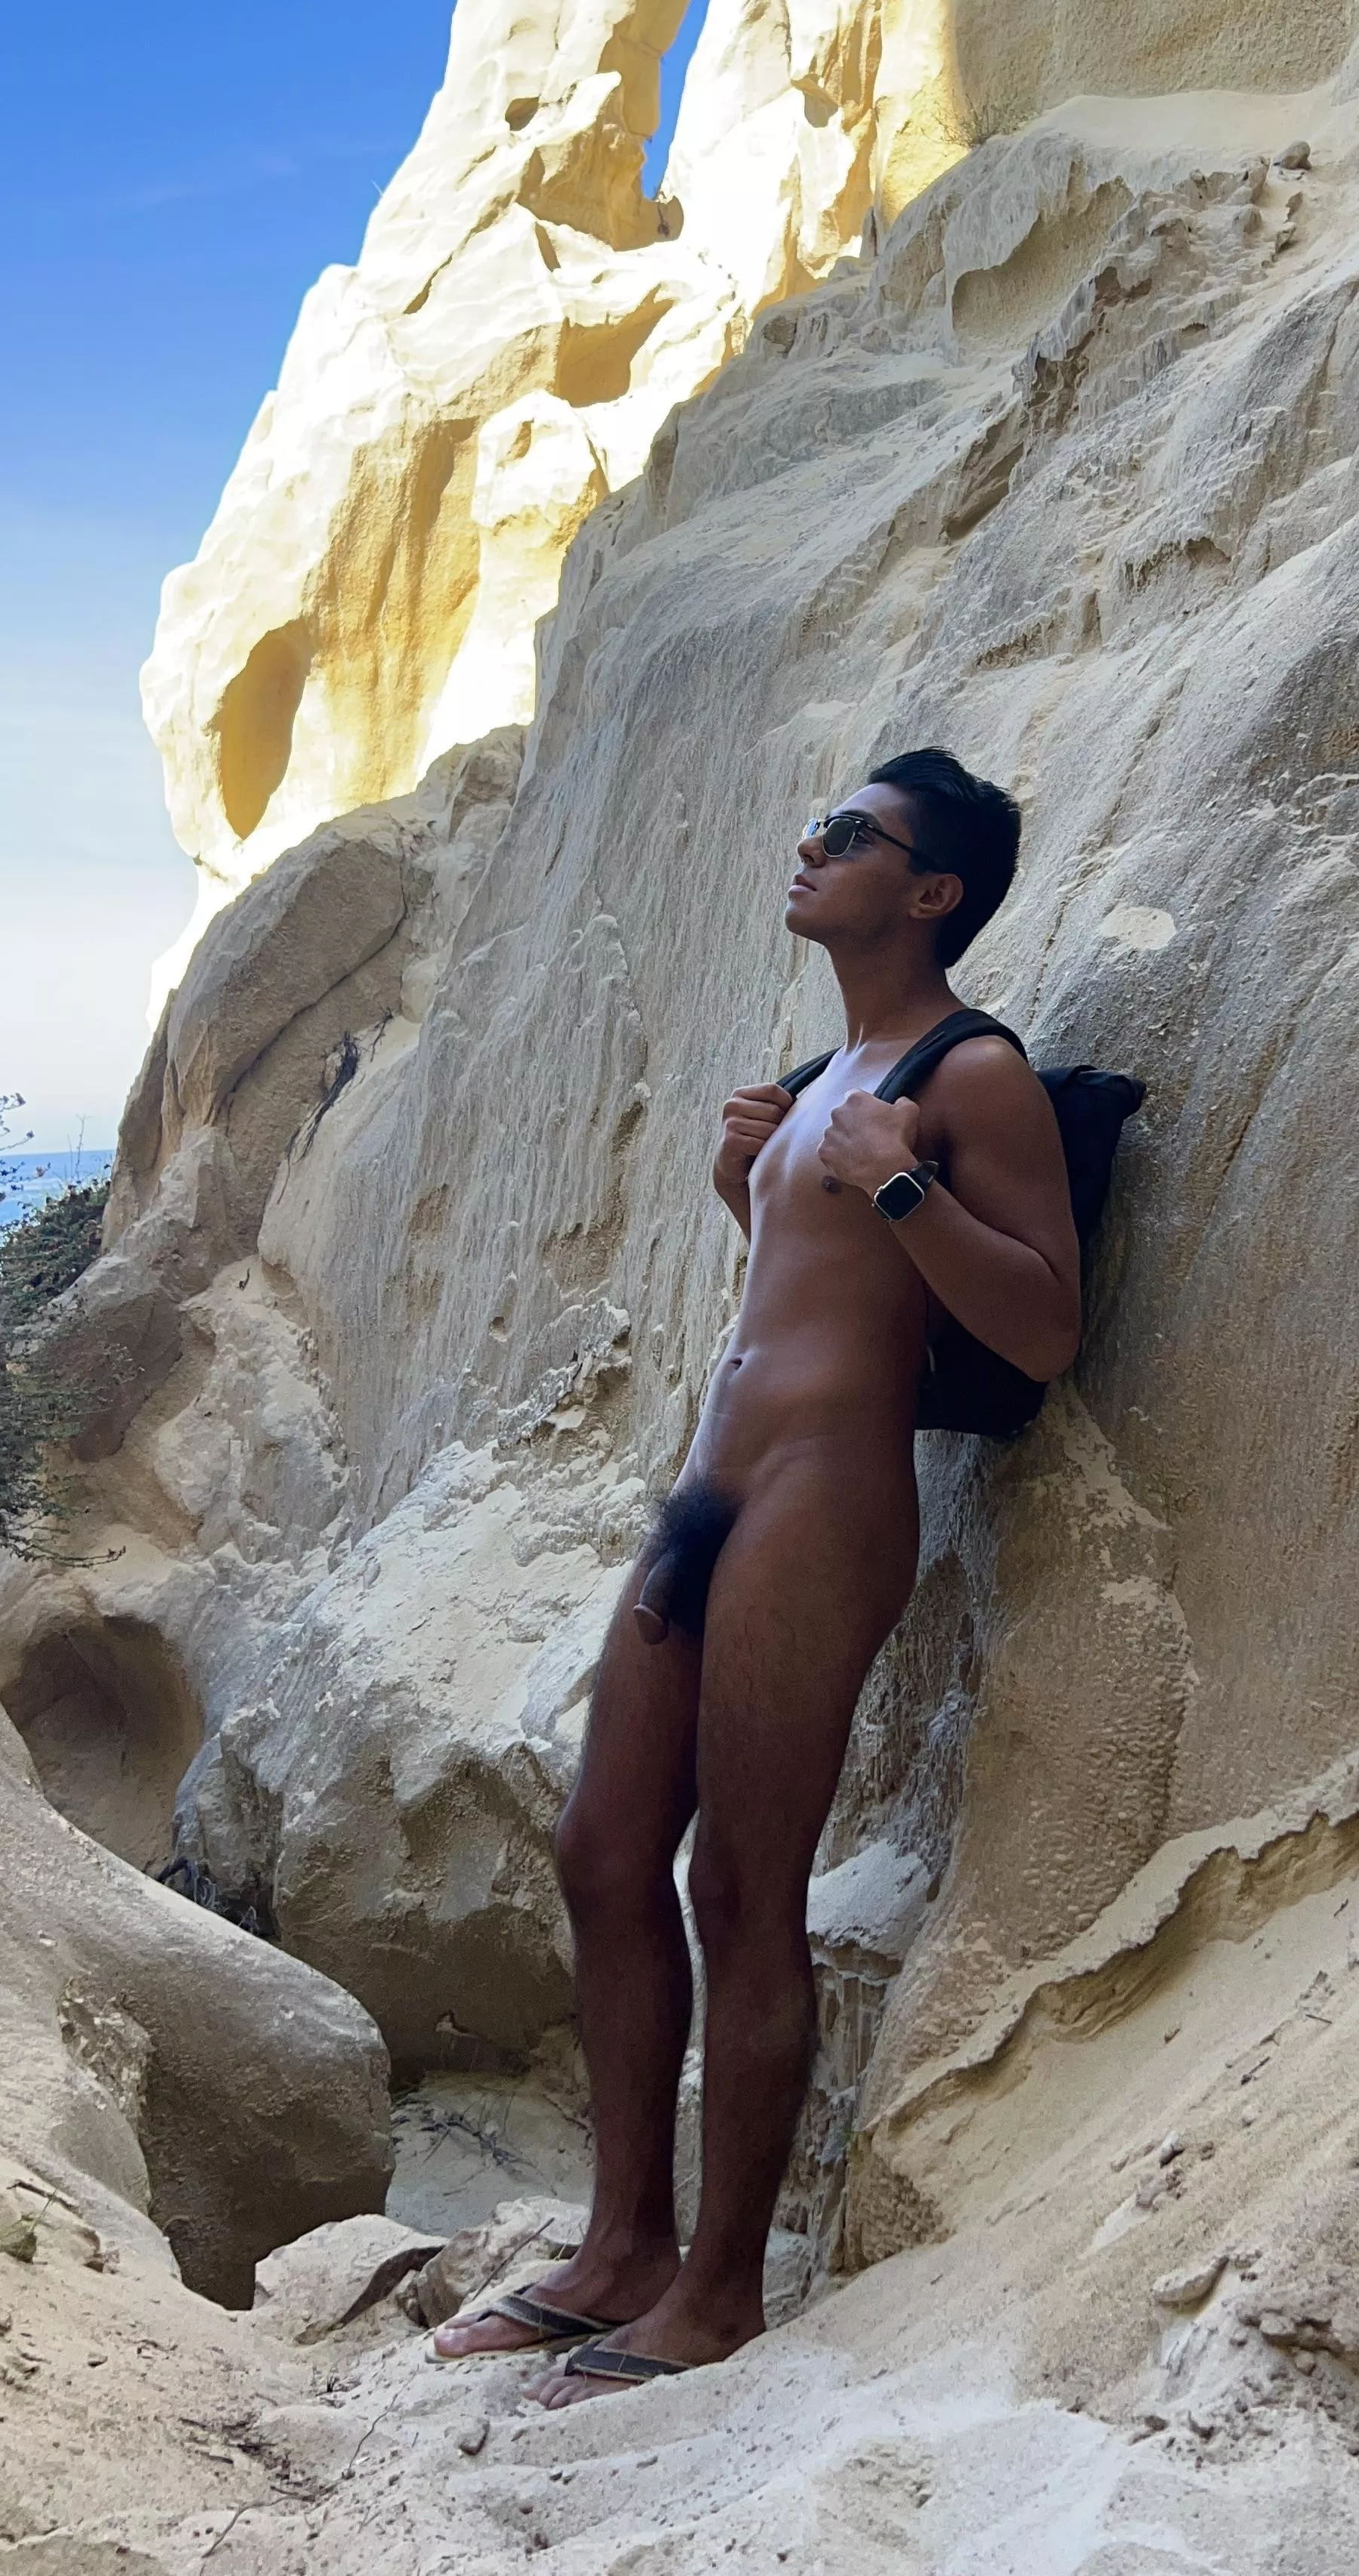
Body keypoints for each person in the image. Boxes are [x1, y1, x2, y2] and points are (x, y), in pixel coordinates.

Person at [432, 748, 1080, 2405]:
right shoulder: (826, 1072)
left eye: (851, 837)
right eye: (816, 825)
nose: (811, 846)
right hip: (711, 1489)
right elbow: (814, 1291)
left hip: (824, 1500)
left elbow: (1041, 1325)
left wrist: (904, 1179)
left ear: (931, 892)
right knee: (601, 1848)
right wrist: (756, 1187)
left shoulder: (970, 1068)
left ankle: (717, 2294)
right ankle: (617, 2251)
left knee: (742, 1886)